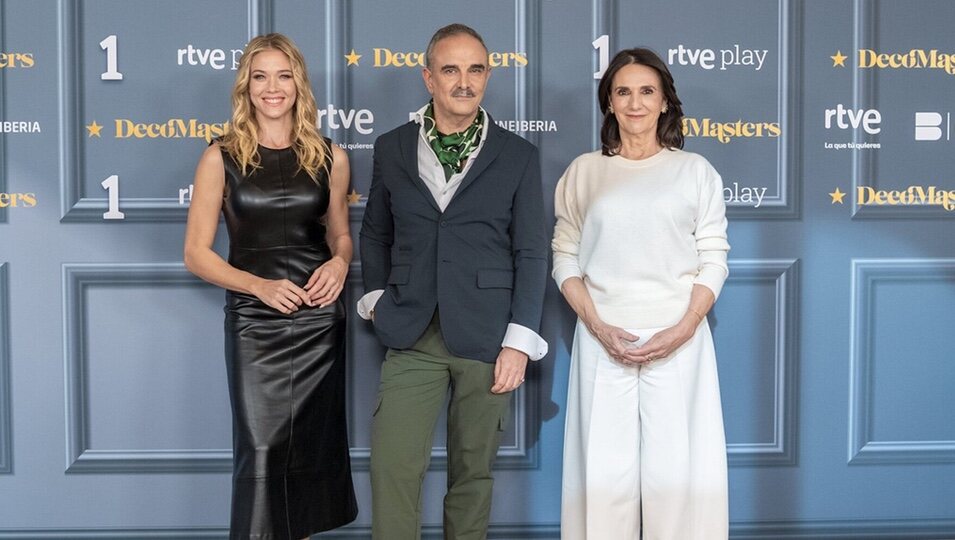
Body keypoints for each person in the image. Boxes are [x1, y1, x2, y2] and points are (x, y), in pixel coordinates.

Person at [357, 23, 548, 540]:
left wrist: (519, 341)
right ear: (428, 78)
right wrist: (376, 299)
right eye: (450, 69)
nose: (464, 81)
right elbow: (375, 233)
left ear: (487, 75)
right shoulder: (392, 147)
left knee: (472, 475)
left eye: (475, 69)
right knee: (393, 468)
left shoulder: (518, 155)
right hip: (410, 332)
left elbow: (532, 251)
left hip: (488, 338)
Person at [183, 33, 357, 539]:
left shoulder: (331, 156)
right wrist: (258, 286)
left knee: (308, 455)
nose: (272, 87)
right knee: (260, 452)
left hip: (318, 320)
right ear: (246, 86)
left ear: (298, 84)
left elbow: (341, 235)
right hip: (255, 322)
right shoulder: (219, 157)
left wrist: (340, 264)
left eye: (283, 76)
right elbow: (195, 253)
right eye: (260, 76)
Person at [553, 47, 730, 539]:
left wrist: (683, 328)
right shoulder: (584, 172)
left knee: (676, 480)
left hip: (679, 341)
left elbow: (714, 259)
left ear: (665, 101)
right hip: (603, 339)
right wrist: (598, 325)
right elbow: (564, 257)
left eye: (647, 91)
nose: (635, 103)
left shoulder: (696, 171)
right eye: (623, 92)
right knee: (602, 479)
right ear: (609, 102)